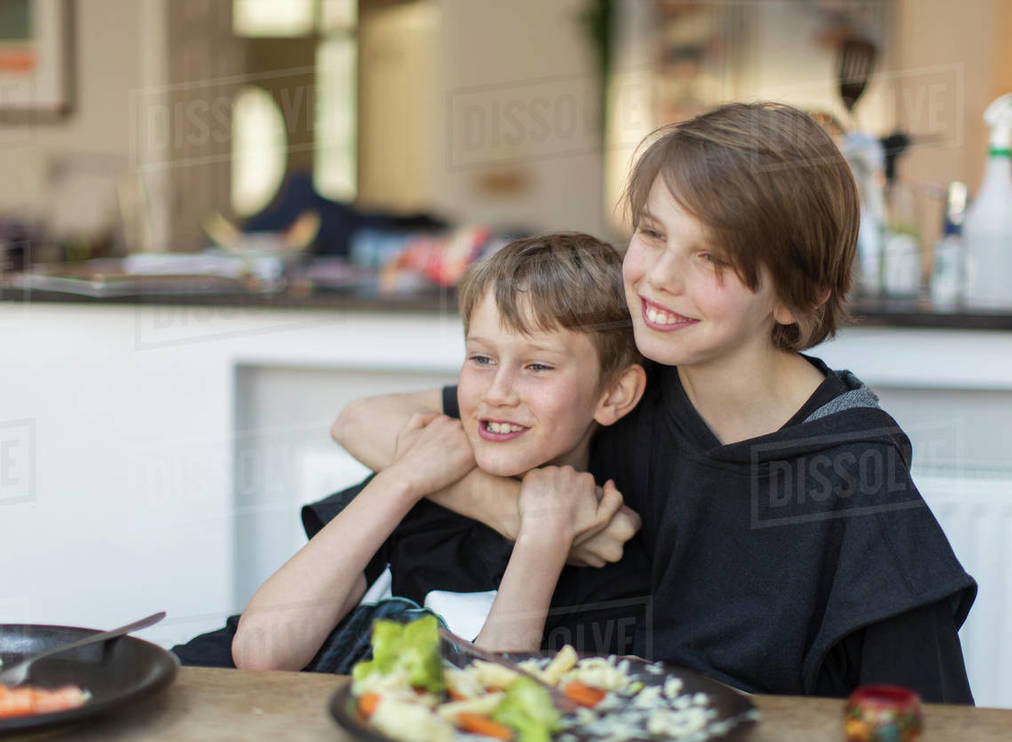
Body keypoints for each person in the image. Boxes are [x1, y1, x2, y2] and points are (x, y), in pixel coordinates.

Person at [332, 102, 977, 703]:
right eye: (652, 233)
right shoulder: (627, 383)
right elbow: (366, 421)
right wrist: (516, 512)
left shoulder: (854, 478)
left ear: (797, 296)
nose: (660, 277)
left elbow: (927, 731)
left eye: (713, 256)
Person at [228, 233, 649, 671]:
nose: (496, 392)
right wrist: (401, 479)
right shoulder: (424, 479)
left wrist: (543, 539)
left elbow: (487, 712)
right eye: (481, 359)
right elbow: (262, 652)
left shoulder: (609, 559)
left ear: (615, 393)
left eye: (537, 366)